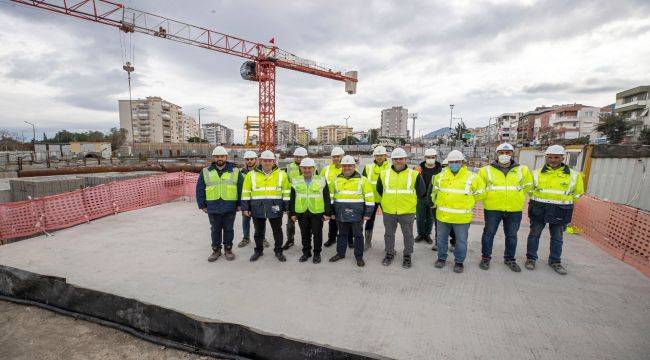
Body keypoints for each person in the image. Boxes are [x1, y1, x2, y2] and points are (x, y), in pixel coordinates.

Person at [525, 145, 584, 275]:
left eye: (556, 157)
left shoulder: (574, 175)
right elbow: (529, 189)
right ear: (546, 157)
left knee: (557, 237)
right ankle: (531, 259)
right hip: (539, 207)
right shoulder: (536, 173)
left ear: (563, 158)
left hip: (561, 209)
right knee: (534, 235)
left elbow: (579, 193)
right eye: (550, 157)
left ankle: (555, 261)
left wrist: (564, 201)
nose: (553, 160)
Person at [477, 143, 533, 272]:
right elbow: (480, 188)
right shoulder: (485, 170)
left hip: (514, 209)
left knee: (512, 236)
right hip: (492, 208)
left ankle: (510, 259)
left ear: (512, 154)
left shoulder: (522, 170)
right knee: (488, 234)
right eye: (502, 152)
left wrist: (516, 197)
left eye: (508, 153)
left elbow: (528, 187)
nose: (505, 155)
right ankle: (485, 258)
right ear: (497, 154)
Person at [431, 150, 485, 273]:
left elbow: (480, 195)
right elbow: (434, 194)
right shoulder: (440, 177)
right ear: (448, 163)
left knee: (461, 241)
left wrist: (466, 203)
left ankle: (459, 262)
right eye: (451, 162)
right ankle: (441, 258)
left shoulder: (473, 177)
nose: (454, 164)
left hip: (462, 218)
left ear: (463, 162)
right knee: (441, 239)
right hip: (443, 216)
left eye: (457, 162)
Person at [374, 147, 426, 268]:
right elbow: (380, 190)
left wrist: (409, 202)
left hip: (407, 211)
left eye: (401, 159)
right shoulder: (384, 174)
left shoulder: (414, 175)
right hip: (389, 210)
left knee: (408, 235)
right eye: (396, 159)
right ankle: (389, 253)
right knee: (389, 234)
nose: (398, 161)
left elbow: (421, 191)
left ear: (405, 159)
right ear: (392, 160)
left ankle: (407, 255)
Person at [196, 146, 244, 262]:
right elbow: (200, 189)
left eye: (222, 156)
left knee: (228, 229)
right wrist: (202, 205)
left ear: (226, 157)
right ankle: (216, 250)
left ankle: (228, 249)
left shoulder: (235, 171)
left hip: (230, 206)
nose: (219, 158)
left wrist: (240, 204)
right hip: (213, 206)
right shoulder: (205, 172)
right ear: (213, 157)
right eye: (217, 156)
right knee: (215, 229)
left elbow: (241, 189)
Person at [241, 150, 291, 262]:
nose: (267, 163)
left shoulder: (282, 174)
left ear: (274, 161)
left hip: (275, 207)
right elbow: (245, 192)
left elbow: (286, 192)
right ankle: (258, 251)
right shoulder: (251, 175)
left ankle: (278, 251)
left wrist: (287, 208)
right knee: (258, 232)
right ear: (260, 161)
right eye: (265, 160)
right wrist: (245, 208)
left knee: (277, 230)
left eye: (270, 160)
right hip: (257, 207)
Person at [328, 155, 374, 267]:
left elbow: (369, 198)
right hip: (340, 213)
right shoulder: (335, 180)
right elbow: (331, 198)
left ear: (354, 166)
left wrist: (368, 214)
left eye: (350, 166)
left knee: (358, 235)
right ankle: (340, 253)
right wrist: (332, 213)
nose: (347, 168)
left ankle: (359, 257)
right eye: (344, 166)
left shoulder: (363, 180)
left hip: (357, 214)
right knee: (342, 234)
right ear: (341, 167)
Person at [288, 157, 332, 264]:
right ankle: (306, 252)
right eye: (304, 168)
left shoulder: (321, 180)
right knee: (305, 234)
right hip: (302, 212)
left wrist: (327, 213)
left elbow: (326, 197)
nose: (307, 170)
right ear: (301, 169)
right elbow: (292, 198)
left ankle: (317, 254)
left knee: (317, 235)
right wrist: (292, 213)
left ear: (313, 169)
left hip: (317, 212)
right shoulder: (296, 180)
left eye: (309, 168)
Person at [361, 145, 390, 250]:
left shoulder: (390, 167)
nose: (379, 157)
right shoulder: (368, 168)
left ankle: (389, 245)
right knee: (369, 220)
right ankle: (367, 242)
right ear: (374, 156)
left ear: (385, 155)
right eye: (377, 155)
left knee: (388, 223)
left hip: (385, 199)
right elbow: (362, 183)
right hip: (371, 199)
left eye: (381, 155)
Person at [238, 150, 268, 249]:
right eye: (247, 159)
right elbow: (239, 188)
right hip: (246, 201)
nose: (249, 161)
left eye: (252, 159)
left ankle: (262, 238)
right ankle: (246, 238)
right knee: (245, 221)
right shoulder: (241, 173)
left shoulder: (261, 172)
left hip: (258, 201)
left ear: (256, 160)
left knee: (260, 221)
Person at [322, 147, 349, 248]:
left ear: (343, 156)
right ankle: (331, 239)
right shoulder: (326, 170)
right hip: (331, 201)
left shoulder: (348, 168)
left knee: (347, 221)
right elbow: (320, 185)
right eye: (334, 157)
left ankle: (349, 240)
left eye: (338, 156)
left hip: (345, 200)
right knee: (332, 222)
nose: (336, 159)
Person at [282, 147, 308, 250]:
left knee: (306, 222)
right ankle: (290, 240)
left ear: (305, 157)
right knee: (290, 222)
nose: (298, 159)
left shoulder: (311, 167)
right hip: (291, 199)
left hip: (305, 199)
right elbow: (285, 183)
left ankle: (306, 242)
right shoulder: (288, 168)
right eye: (296, 157)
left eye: (300, 157)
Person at [415, 148, 442, 245]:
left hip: (433, 198)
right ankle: (420, 234)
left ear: (435, 157)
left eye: (432, 157)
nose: (430, 159)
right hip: (421, 197)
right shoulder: (418, 169)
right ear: (425, 158)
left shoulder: (440, 170)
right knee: (420, 217)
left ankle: (427, 234)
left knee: (430, 218)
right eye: (428, 157)